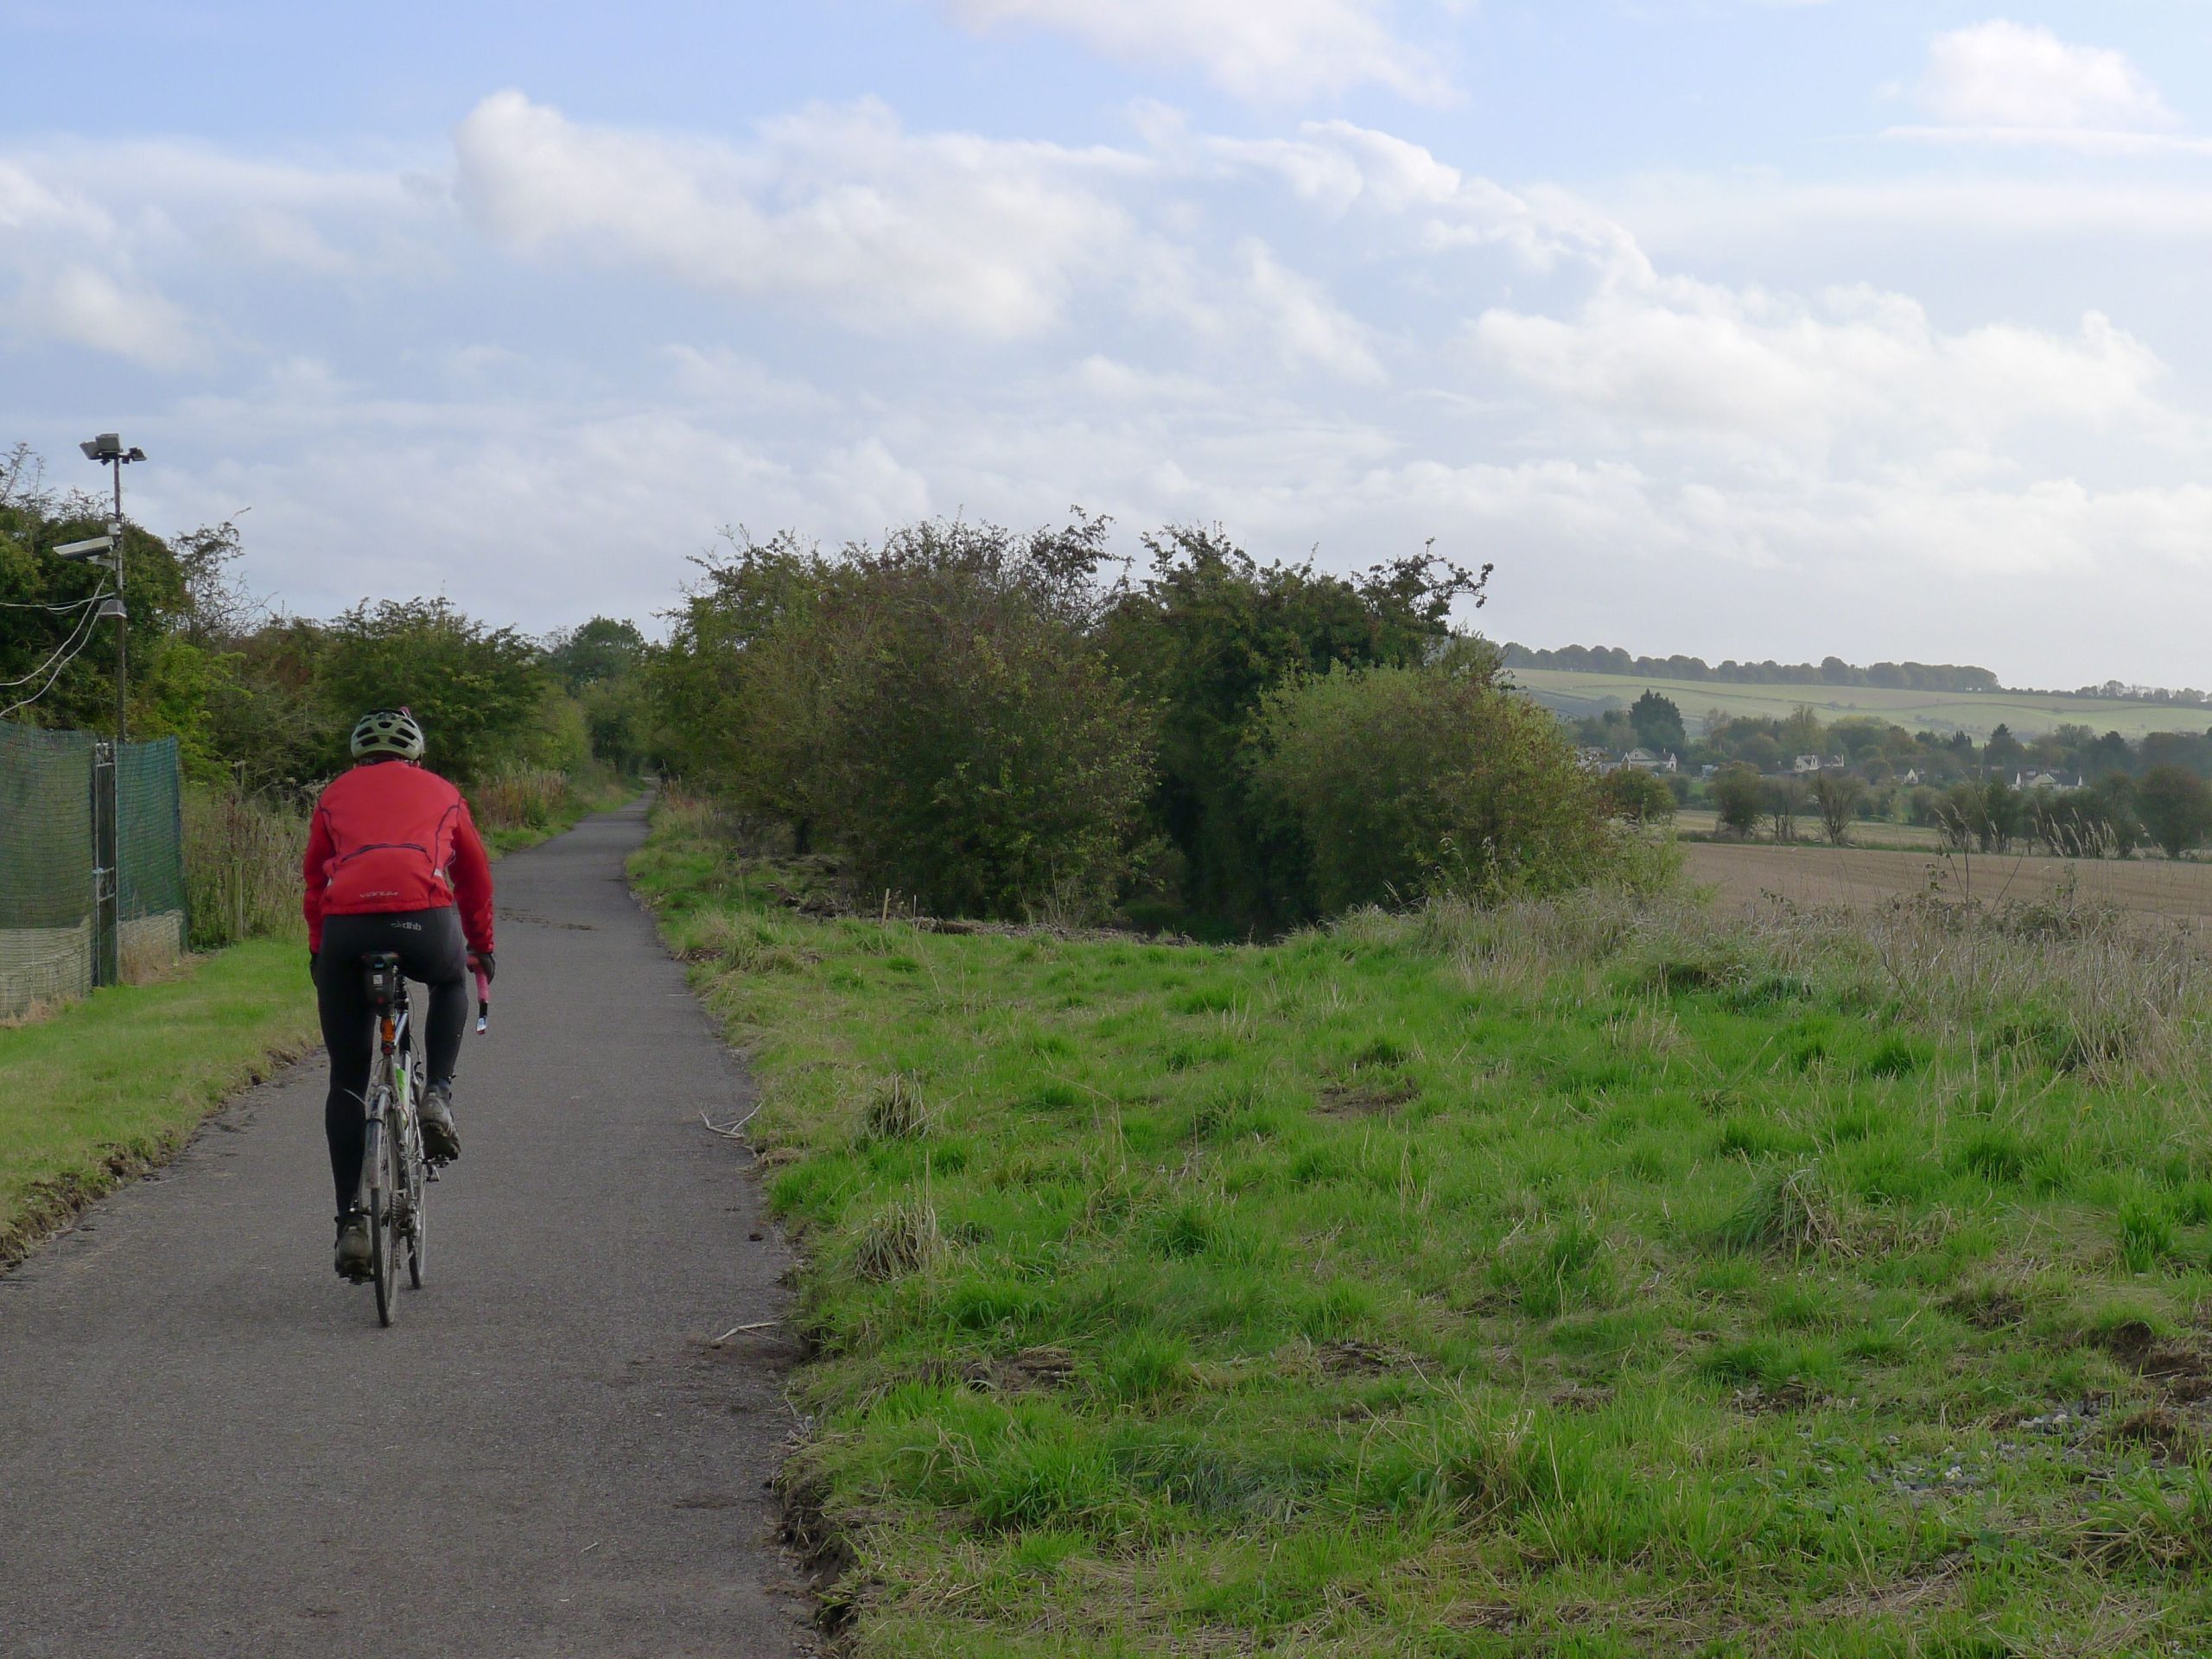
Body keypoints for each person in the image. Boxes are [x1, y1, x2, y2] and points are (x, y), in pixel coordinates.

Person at [303, 708, 494, 1277]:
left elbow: (315, 881)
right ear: (416, 755)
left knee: (345, 1078)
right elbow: (475, 877)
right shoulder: (443, 791)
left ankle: (352, 1227)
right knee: (448, 977)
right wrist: (481, 947)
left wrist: (321, 953)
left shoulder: (334, 794)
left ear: (357, 757)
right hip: (425, 919)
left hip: (349, 929)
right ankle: (436, 1093)